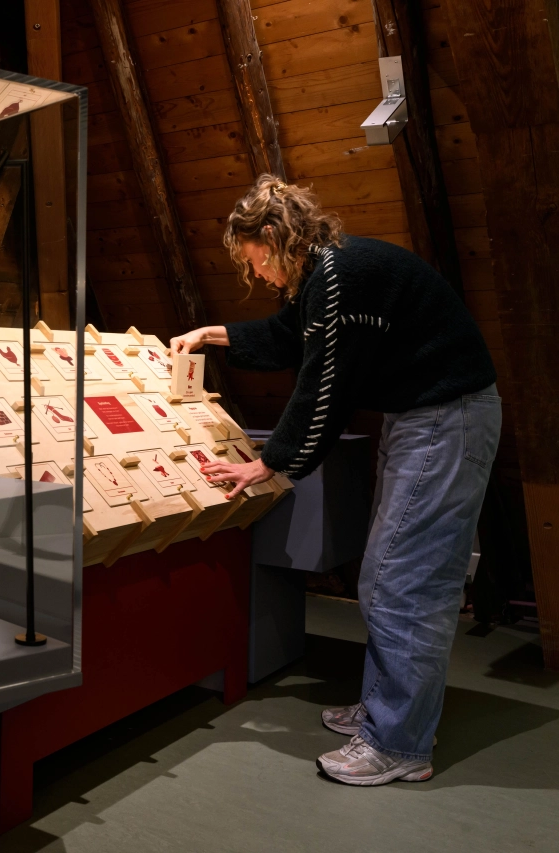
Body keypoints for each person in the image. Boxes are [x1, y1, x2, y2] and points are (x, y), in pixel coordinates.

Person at [170, 175, 500, 786]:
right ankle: (385, 709)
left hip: (445, 418)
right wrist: (211, 335)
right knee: (388, 572)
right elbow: (287, 336)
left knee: (403, 580)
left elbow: (324, 386)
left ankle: (399, 744)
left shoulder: (339, 279)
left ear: (275, 237)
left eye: (256, 260)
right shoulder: (328, 271)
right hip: (423, 415)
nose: (258, 274)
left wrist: (269, 463)